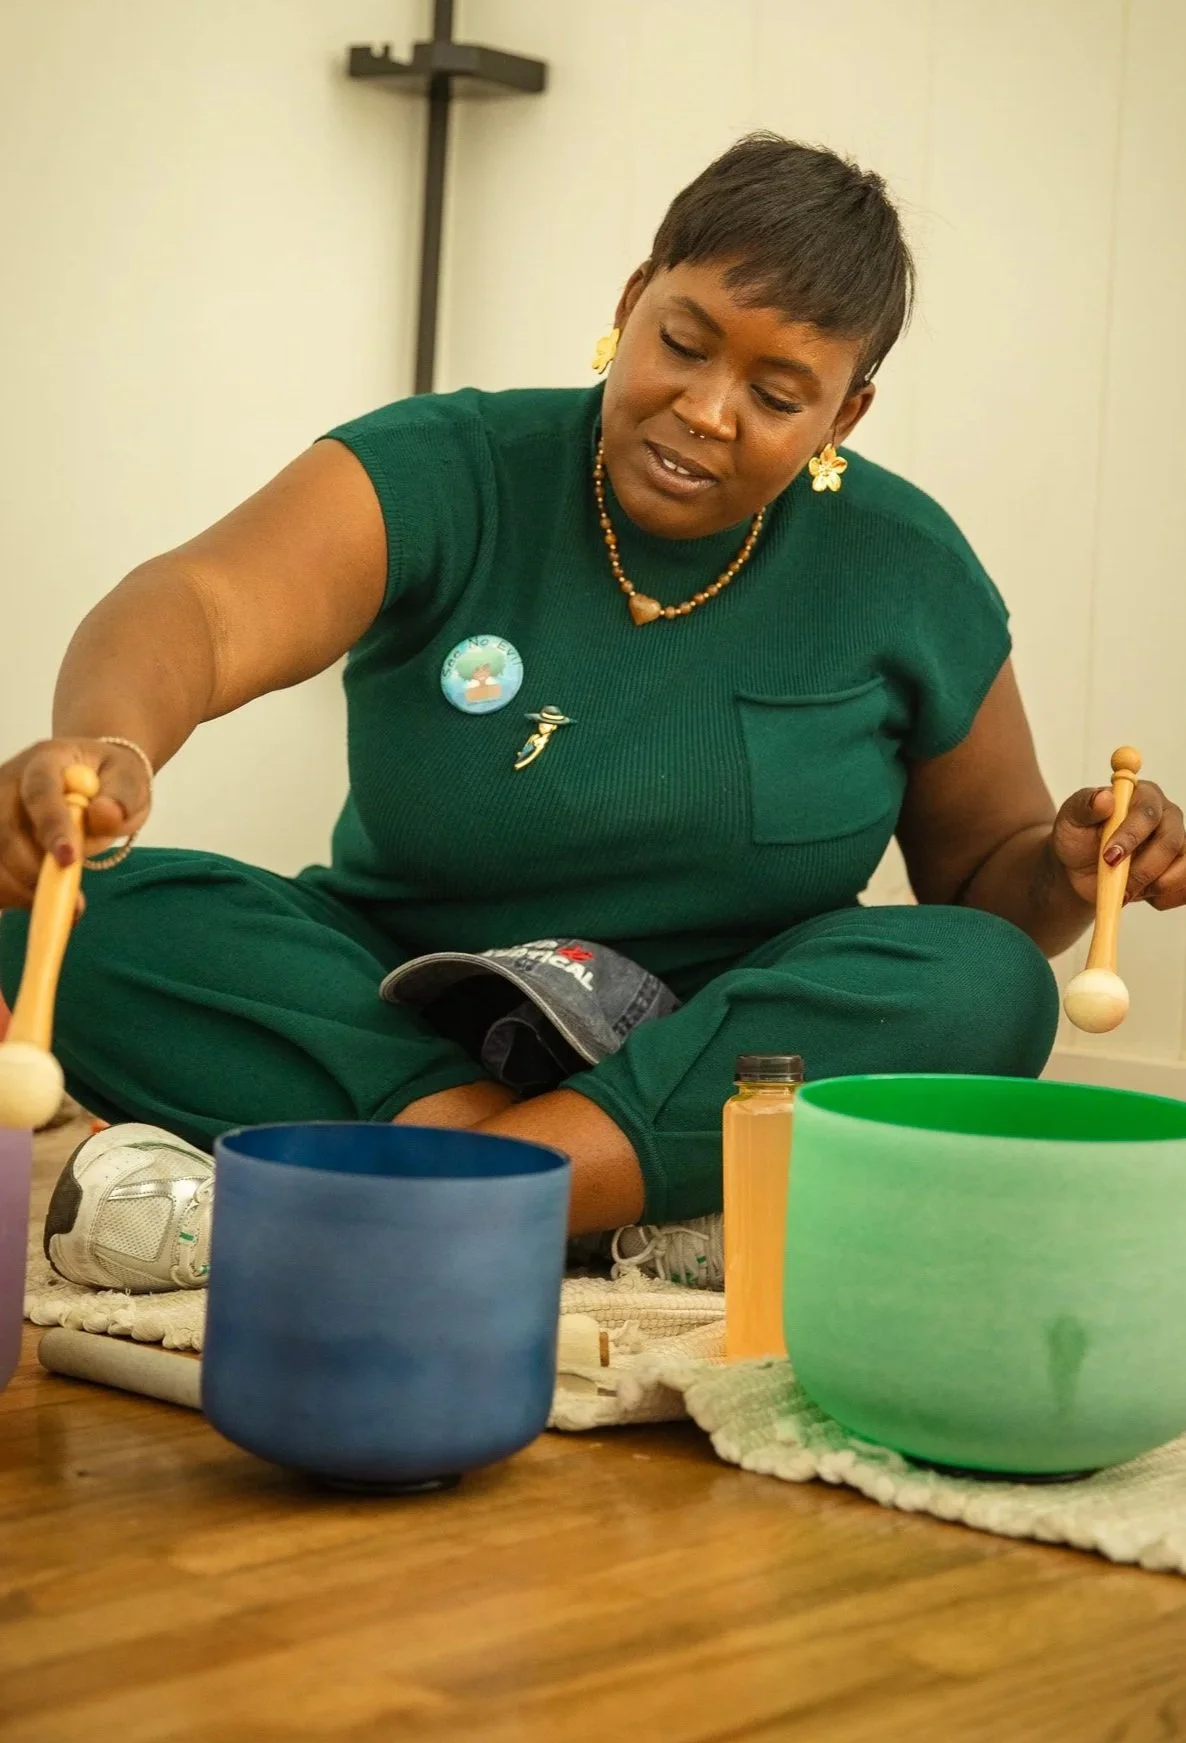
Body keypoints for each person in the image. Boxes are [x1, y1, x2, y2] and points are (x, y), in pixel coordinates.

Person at [3, 135, 1184, 1295]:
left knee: (984, 982)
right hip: (401, 1011)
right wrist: (110, 742)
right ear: (632, 301)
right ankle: (598, 1198)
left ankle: (424, 1190)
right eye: (681, 344)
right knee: (61, 914)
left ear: (846, 415)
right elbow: (199, 609)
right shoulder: (450, 465)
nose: (708, 411)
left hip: (718, 1043)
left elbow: (985, 883)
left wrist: (1073, 865)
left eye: (777, 396)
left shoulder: (903, 562)